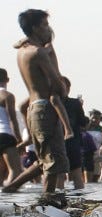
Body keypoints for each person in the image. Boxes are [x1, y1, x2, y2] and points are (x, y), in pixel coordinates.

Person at [5, 9, 70, 194]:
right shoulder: (40, 53)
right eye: (44, 25)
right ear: (34, 28)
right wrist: (53, 56)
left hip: (34, 108)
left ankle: (11, 187)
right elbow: (59, 86)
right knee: (53, 162)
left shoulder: (23, 51)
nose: (48, 28)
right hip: (45, 109)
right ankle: (47, 203)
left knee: (44, 160)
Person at [0, 69, 23, 186]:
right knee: (15, 170)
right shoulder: (7, 96)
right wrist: (19, 138)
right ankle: (8, 192)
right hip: (5, 135)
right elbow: (12, 119)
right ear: (7, 80)